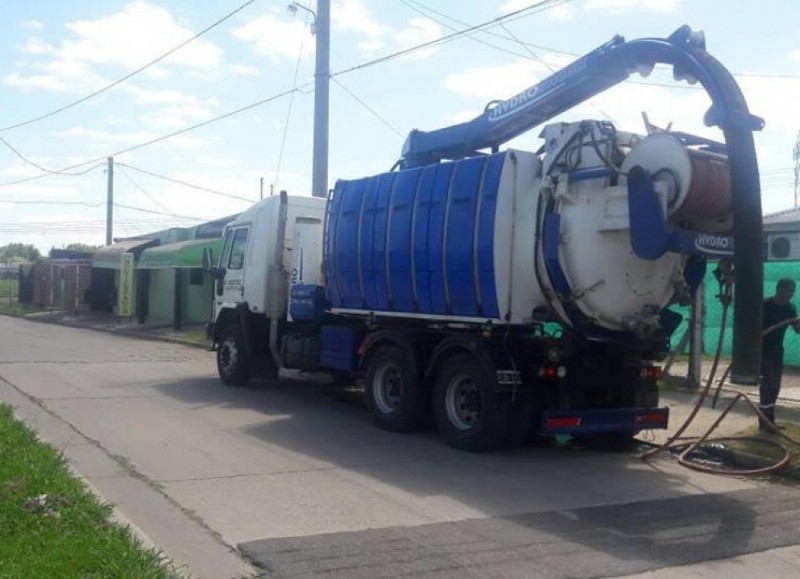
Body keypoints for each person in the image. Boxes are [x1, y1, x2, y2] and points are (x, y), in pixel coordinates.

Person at [760, 278, 800, 431]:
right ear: (779, 289)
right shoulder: (765, 305)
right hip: (763, 350)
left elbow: (797, 329)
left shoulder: (790, 309)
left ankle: (769, 421)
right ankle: (765, 422)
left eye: (793, 291)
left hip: (777, 350)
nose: (791, 294)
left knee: (775, 386)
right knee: (768, 385)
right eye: (789, 290)